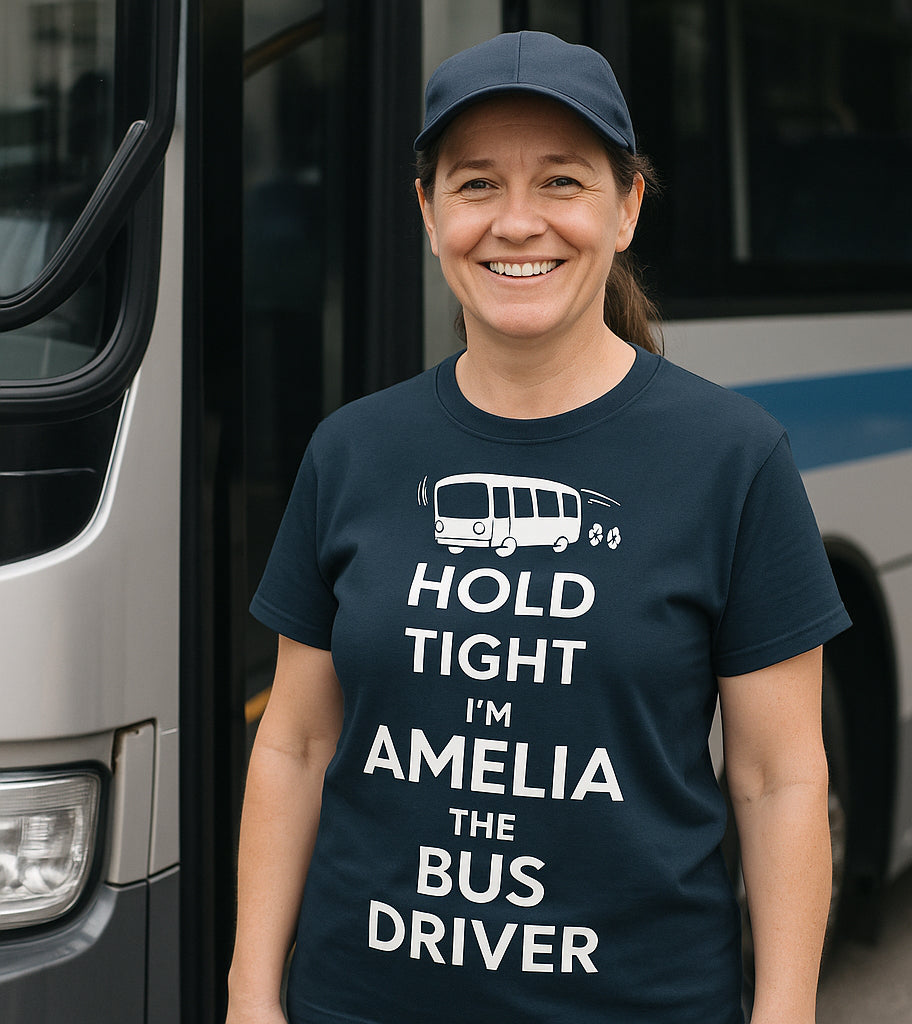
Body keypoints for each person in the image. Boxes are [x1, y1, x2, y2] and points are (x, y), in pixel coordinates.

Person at [226, 31, 850, 1024]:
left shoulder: (733, 459)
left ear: (626, 208)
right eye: (477, 185)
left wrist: (785, 1013)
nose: (517, 223)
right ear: (429, 213)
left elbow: (779, 780)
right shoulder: (351, 451)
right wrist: (249, 993)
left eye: (561, 181)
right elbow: (295, 745)